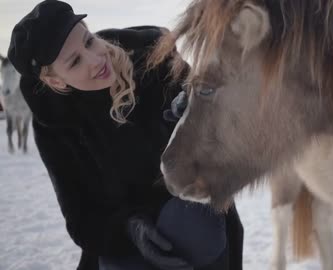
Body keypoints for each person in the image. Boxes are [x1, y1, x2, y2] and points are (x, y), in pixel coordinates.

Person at [7, 1, 244, 270]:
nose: (96, 60)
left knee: (196, 225)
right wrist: (130, 230)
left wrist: (197, 117)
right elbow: (81, 216)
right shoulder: (55, 124)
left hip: (191, 219)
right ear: (56, 81)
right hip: (126, 244)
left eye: (89, 42)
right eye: (75, 62)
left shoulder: (156, 58)